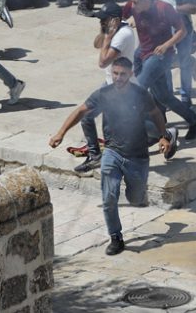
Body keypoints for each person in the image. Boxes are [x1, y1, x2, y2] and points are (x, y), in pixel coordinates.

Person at [48, 57, 175, 255]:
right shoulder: (103, 94)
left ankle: (136, 194)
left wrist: (163, 136)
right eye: (115, 73)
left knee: (135, 198)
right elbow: (81, 111)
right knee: (109, 198)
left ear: (130, 74)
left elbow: (156, 113)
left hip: (138, 157)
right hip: (112, 152)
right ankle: (116, 237)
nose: (118, 77)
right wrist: (60, 133)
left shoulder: (141, 95)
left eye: (123, 74)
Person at [122, 0, 196, 139]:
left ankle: (144, 131)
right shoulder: (132, 6)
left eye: (136, 2)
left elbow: (183, 31)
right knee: (164, 97)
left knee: (137, 89)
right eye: (132, 2)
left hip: (161, 56)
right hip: (143, 53)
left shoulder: (163, 8)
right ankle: (195, 119)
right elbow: (118, 16)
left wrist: (167, 44)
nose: (133, 6)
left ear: (147, 0)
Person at [74, 1, 142, 173]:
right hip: (111, 85)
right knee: (90, 118)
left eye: (104, 20)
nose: (101, 22)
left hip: (121, 89)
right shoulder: (114, 32)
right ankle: (96, 156)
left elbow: (102, 62)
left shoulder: (123, 35)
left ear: (115, 20)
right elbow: (97, 44)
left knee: (117, 128)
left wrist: (109, 37)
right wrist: (105, 32)